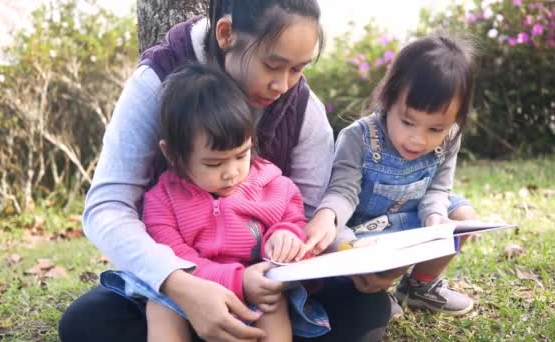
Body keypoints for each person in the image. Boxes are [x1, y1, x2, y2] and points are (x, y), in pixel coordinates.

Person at [58, 1, 392, 341]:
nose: (284, 85)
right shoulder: (157, 82)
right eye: (273, 65)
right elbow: (107, 207)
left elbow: (305, 215)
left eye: (298, 69)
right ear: (226, 34)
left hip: (264, 286)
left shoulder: (303, 110)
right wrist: (182, 285)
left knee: (366, 309)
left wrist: (349, 254)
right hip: (178, 278)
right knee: (87, 323)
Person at [138, 63, 330, 341]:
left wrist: (285, 236)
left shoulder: (271, 184)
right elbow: (175, 260)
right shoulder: (162, 201)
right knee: (159, 307)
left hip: (257, 291)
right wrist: (237, 281)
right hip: (191, 292)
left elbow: (293, 218)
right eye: (213, 163)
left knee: (272, 305)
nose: (231, 172)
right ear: (172, 154)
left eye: (241, 155)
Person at [309, 34, 479, 317]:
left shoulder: (451, 138)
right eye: (408, 121)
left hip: (413, 217)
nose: (418, 140)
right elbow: (342, 192)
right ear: (388, 98)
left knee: (463, 218)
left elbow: (438, 190)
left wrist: (435, 218)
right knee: (346, 243)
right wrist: (328, 219)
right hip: (367, 231)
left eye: (435, 129)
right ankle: (374, 291)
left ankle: (419, 287)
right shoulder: (358, 138)